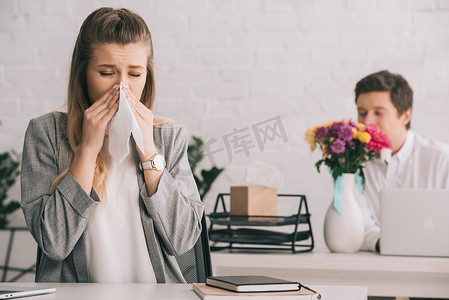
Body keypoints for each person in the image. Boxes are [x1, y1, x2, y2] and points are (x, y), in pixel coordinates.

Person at [20, 7, 204, 283]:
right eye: (107, 72)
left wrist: (149, 152)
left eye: (135, 74)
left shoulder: (168, 136)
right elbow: (54, 243)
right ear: (83, 74)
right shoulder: (45, 133)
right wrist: (88, 149)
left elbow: (184, 240)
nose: (122, 88)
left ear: (148, 77)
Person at [354, 70, 449, 253]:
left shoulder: (441, 159)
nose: (367, 122)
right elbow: (358, 225)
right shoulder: (352, 162)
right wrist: (385, 243)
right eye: (362, 112)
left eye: (378, 113)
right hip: (372, 263)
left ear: (405, 115)